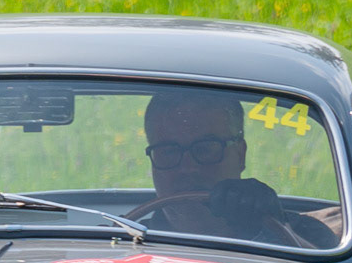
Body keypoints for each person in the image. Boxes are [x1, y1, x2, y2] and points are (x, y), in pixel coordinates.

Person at [135, 89, 336, 248]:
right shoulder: (122, 243)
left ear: (240, 154)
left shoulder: (308, 235)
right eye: (168, 151)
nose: (188, 168)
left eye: (206, 149)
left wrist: (273, 230)